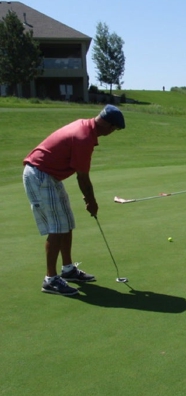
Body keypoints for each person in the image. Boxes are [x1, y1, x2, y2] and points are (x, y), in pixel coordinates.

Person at [23, 104, 126, 296]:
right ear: (106, 124)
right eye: (114, 128)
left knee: (67, 222)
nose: (113, 132)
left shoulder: (86, 128)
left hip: (48, 175)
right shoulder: (84, 137)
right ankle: (50, 279)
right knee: (57, 227)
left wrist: (89, 199)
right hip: (40, 174)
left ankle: (68, 269)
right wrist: (91, 201)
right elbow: (82, 177)